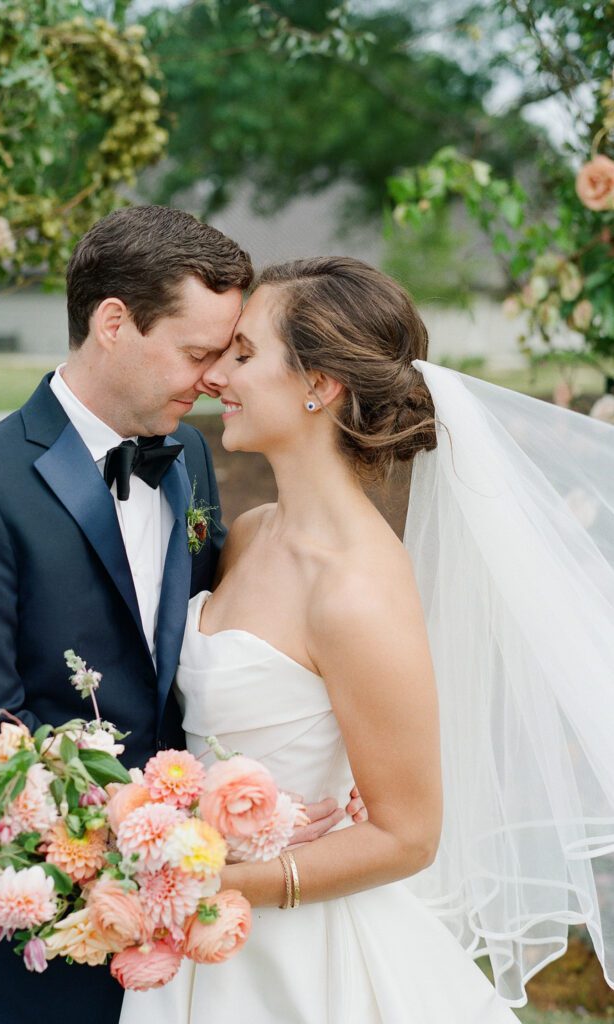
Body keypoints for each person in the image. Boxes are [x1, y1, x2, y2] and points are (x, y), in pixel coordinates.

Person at [120, 256, 614, 1023]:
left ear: (320, 383)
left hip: (295, 957)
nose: (217, 376)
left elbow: (409, 834)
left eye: (245, 354)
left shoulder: (355, 590)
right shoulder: (250, 535)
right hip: (198, 936)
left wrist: (227, 880)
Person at [0, 208, 360, 1024]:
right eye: (198, 353)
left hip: (191, 937)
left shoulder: (186, 458)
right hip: (37, 926)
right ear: (113, 322)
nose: (217, 378)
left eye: (228, 354)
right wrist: (190, 840)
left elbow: (216, 650)